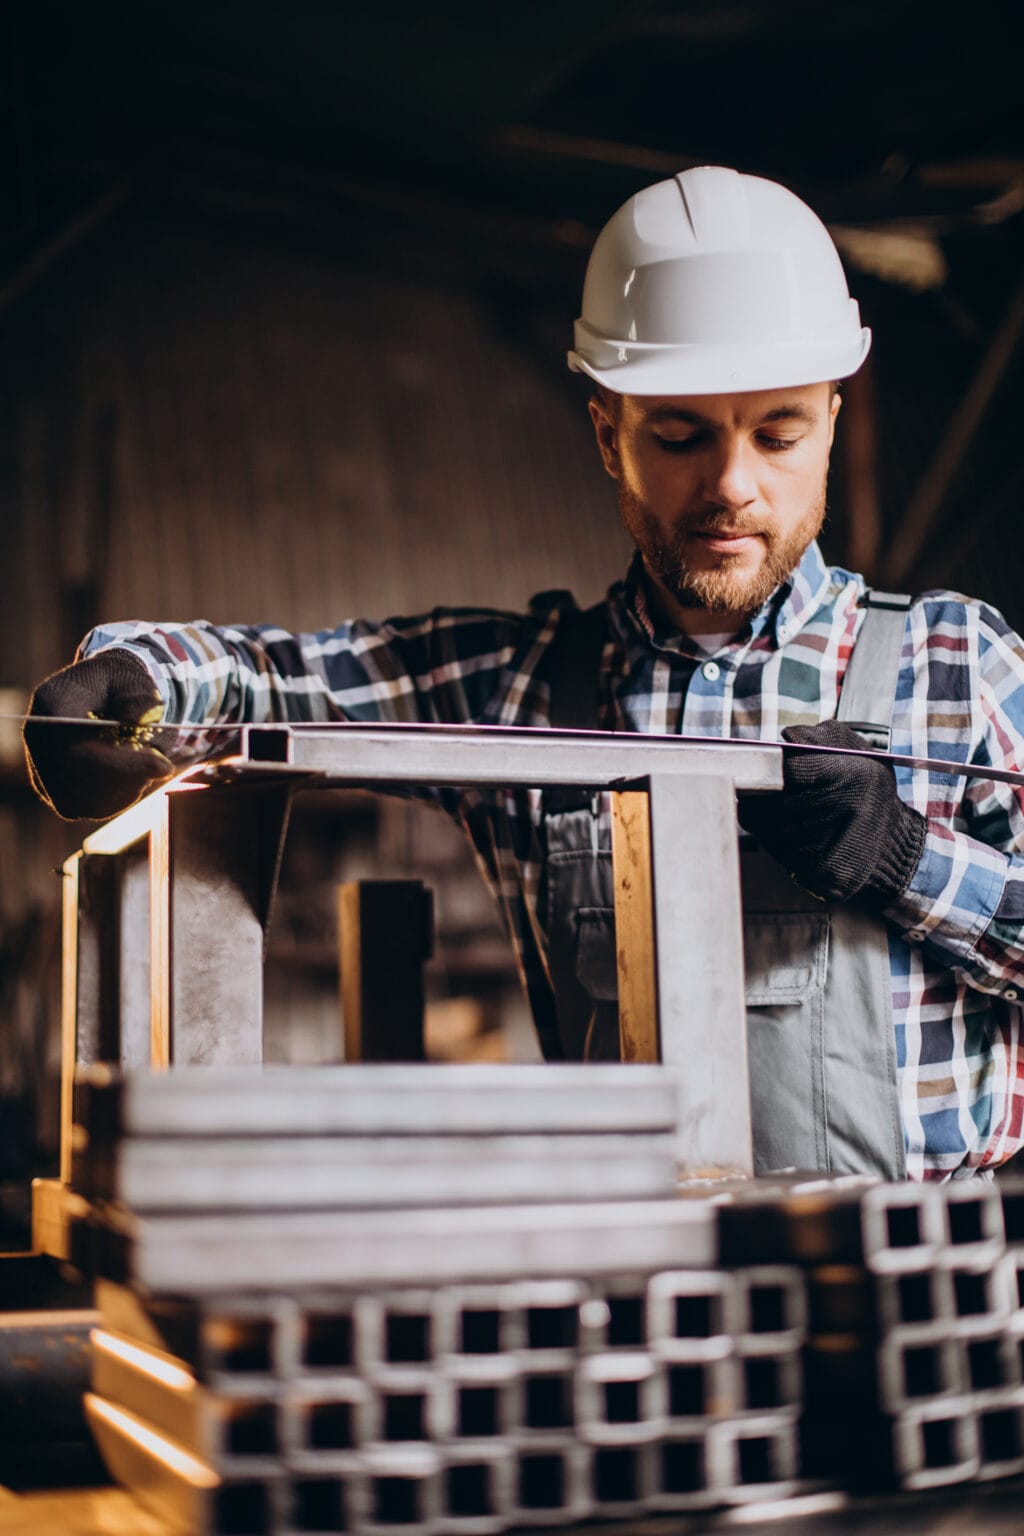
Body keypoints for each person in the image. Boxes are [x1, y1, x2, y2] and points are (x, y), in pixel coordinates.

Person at [23, 166, 1024, 1183]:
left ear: (832, 425)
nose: (731, 483)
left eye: (778, 433)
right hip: (639, 1302)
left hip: (927, 1302)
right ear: (607, 435)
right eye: (680, 434)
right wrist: (136, 679)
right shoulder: (522, 693)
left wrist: (906, 859)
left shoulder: (955, 669)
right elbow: (272, 679)